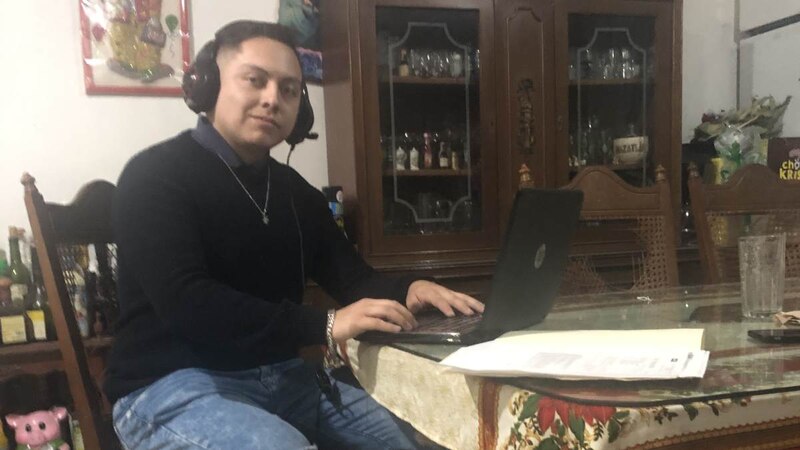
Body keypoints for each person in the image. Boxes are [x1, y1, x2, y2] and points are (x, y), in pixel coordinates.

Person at [104, 20, 483, 450]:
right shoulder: (154, 176)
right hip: (168, 386)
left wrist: (409, 288)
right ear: (208, 86)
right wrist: (325, 323)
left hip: (283, 379)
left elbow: (352, 279)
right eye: (255, 81)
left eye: (288, 90)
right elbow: (188, 304)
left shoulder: (295, 194)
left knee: (420, 440)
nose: (272, 99)